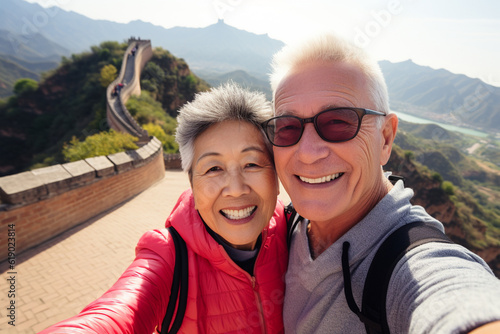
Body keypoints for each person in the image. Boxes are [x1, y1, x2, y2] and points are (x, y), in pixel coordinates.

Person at [263, 33, 500, 333]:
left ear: (385, 138)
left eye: (338, 122)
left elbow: (452, 296)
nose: (308, 153)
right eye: (287, 127)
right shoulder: (285, 226)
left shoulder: (411, 265)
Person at [40, 83, 288, 333]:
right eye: (214, 169)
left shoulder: (294, 230)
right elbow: (119, 310)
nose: (235, 188)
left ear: (276, 178)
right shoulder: (168, 256)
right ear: (192, 184)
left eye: (252, 164)